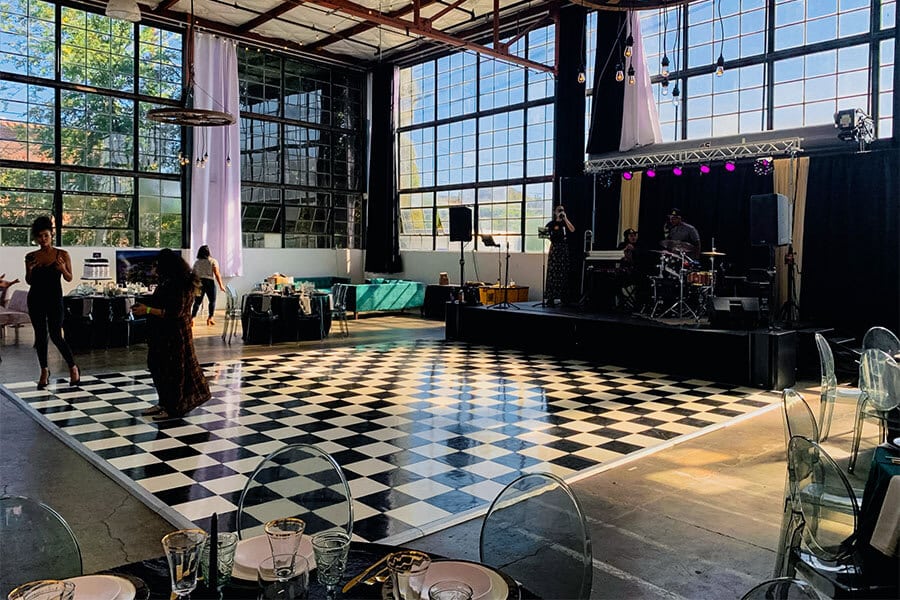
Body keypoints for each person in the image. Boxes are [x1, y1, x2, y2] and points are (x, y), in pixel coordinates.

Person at [133, 249, 211, 421]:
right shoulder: (168, 281)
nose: (155, 268)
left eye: (158, 265)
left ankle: (174, 408)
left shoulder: (183, 284)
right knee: (156, 366)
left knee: (175, 372)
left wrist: (146, 310)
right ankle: (163, 402)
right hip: (160, 334)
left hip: (176, 335)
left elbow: (175, 312)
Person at [24, 216, 80, 389]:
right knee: (40, 336)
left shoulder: (62, 254)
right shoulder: (31, 256)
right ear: (36, 238)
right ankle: (44, 370)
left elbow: (69, 278)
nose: (43, 239)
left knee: (56, 334)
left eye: (46, 235)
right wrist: (30, 270)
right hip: (35, 299)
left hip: (54, 299)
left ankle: (73, 366)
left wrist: (63, 269)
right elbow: (29, 281)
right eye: (40, 236)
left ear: (51, 234)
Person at [544, 205, 575, 307]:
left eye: (562, 210)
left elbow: (572, 230)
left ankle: (564, 297)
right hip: (555, 249)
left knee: (563, 272)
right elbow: (543, 234)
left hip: (563, 249)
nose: (561, 212)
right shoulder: (551, 224)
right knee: (553, 273)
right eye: (559, 210)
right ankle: (551, 298)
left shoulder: (565, 223)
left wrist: (565, 218)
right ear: (555, 212)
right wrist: (552, 240)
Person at [191, 245, 226, 326]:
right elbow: (217, 273)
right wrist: (221, 285)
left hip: (199, 282)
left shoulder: (197, 262)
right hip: (209, 282)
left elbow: (193, 274)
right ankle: (210, 318)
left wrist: (193, 285)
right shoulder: (213, 261)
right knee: (212, 301)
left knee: (197, 302)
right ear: (208, 252)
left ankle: (192, 318)